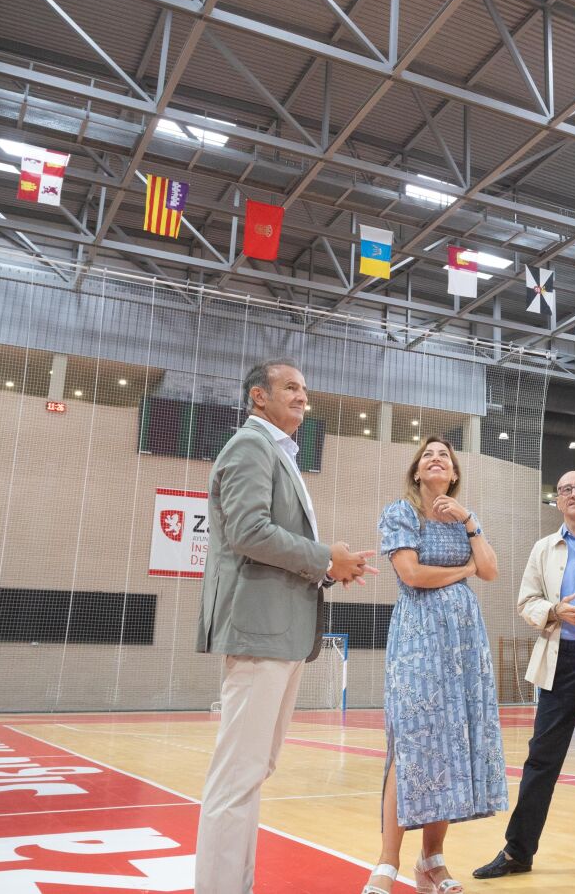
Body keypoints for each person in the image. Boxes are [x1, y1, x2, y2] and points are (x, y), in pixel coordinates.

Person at [193, 359, 377, 894]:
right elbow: (249, 531)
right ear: (259, 396)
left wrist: (330, 567)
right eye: (290, 387)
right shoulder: (251, 447)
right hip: (259, 630)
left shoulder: (277, 452)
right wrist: (325, 558)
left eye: (304, 388)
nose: (302, 396)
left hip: (281, 634)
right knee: (236, 777)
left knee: (251, 773)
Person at [362, 436, 505, 894]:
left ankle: (432, 861)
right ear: (417, 471)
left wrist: (469, 520)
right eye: (428, 455)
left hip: (463, 642)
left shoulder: (464, 518)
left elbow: (491, 569)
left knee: (450, 744)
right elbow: (412, 574)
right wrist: (463, 572)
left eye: (445, 455)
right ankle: (387, 861)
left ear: (454, 473)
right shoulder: (400, 513)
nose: (436, 458)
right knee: (410, 743)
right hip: (418, 639)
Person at [475, 470, 575, 882]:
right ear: (557, 501)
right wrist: (555, 610)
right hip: (560, 663)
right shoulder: (543, 549)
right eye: (565, 490)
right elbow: (526, 601)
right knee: (541, 759)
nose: (573, 494)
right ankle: (518, 851)